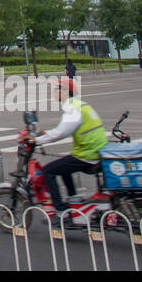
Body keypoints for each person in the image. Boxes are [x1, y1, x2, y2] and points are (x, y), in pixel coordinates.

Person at [25, 76, 107, 218]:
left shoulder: (72, 108)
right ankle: (72, 198)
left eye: (56, 89)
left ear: (64, 91)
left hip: (88, 155)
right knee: (63, 167)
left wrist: (37, 140)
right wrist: (46, 134)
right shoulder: (80, 104)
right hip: (94, 151)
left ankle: (59, 209)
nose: (54, 91)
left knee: (49, 171)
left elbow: (61, 133)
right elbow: (65, 129)